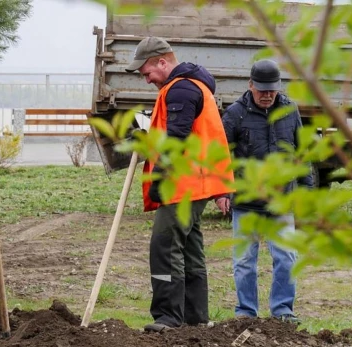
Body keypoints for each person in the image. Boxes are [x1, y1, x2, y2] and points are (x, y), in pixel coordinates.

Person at [125, 37, 234, 332]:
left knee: (164, 246)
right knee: (190, 248)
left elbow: (177, 138)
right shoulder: (191, 87)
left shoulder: (181, 89)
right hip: (199, 181)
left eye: (146, 72)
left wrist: (160, 175)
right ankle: (196, 317)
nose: (145, 79)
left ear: (162, 61)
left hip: (184, 182)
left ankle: (169, 317)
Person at [216, 59, 313, 324]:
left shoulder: (289, 111)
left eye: (272, 89)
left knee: (286, 258)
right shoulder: (235, 114)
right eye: (262, 90)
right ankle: (246, 313)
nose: (268, 95)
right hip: (247, 202)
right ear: (250, 85)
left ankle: (283, 311)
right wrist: (221, 191)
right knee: (245, 262)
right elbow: (220, 155)